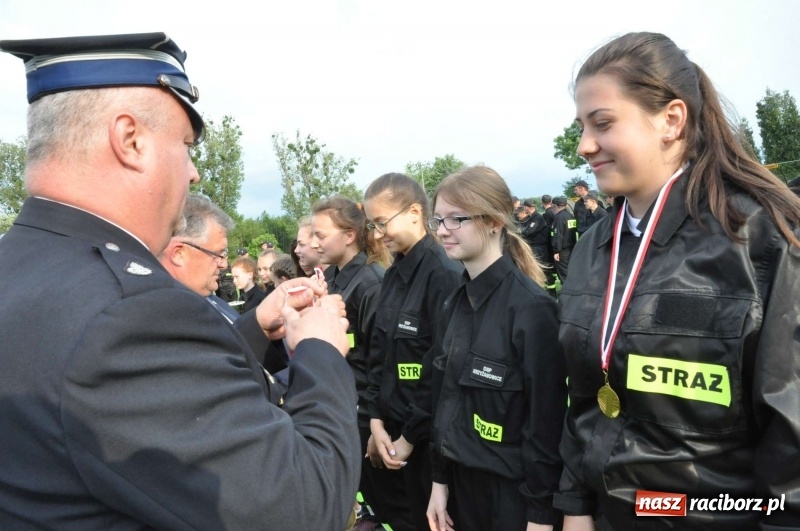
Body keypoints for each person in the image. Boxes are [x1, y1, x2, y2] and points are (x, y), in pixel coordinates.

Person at [0, 33, 361, 530]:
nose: (192, 173)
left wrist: (256, 321)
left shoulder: (22, 267)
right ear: (130, 140)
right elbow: (303, 507)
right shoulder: (130, 314)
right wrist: (320, 351)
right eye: (186, 145)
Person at [556, 32, 800, 531]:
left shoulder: (762, 238)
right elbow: (586, 397)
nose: (584, 146)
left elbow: (790, 432)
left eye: (602, 123)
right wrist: (575, 504)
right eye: (581, 126)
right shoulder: (592, 248)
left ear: (671, 119)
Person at [426, 166, 567, 531]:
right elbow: (445, 398)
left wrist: (540, 516)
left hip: (511, 499)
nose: (442, 230)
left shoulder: (532, 310)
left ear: (493, 222)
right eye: (438, 219)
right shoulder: (454, 303)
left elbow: (545, 426)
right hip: (461, 490)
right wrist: (439, 482)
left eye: (457, 219)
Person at [363, 173, 463, 531]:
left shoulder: (443, 275)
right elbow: (381, 356)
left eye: (382, 223)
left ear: (415, 212)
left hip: (427, 444)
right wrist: (376, 422)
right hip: (394, 437)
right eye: (372, 225)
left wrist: (407, 438)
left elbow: (440, 368)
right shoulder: (393, 275)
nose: (377, 234)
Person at [310, 196, 391, 528]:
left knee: (386, 504)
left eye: (320, 235)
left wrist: (375, 423)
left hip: (363, 416)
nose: (314, 243)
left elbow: (379, 360)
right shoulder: (335, 277)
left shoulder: (370, 282)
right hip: (341, 405)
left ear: (349, 235)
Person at [159, 194, 240, 323]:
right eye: (218, 254)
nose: (223, 265)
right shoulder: (163, 318)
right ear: (178, 254)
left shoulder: (212, 301)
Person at [518, 198, 557, 297]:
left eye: (524, 207)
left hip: (540, 248)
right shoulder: (531, 218)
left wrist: (518, 233)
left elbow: (528, 232)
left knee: (544, 269)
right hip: (534, 247)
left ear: (527, 207)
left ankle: (552, 292)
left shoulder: (537, 218)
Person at [551, 196, 577, 284]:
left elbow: (558, 235)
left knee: (563, 274)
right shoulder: (570, 215)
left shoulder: (559, 218)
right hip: (571, 248)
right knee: (571, 272)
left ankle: (567, 295)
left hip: (562, 250)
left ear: (555, 206)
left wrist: (556, 251)